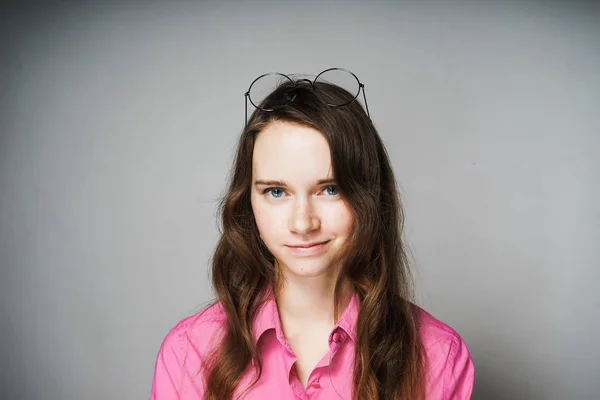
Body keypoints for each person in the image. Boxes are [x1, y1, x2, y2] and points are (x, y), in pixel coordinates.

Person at [150, 68, 474, 399]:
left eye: (329, 189)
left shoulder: (438, 357)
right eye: (276, 192)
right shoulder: (189, 353)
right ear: (248, 201)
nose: (303, 224)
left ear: (369, 196)